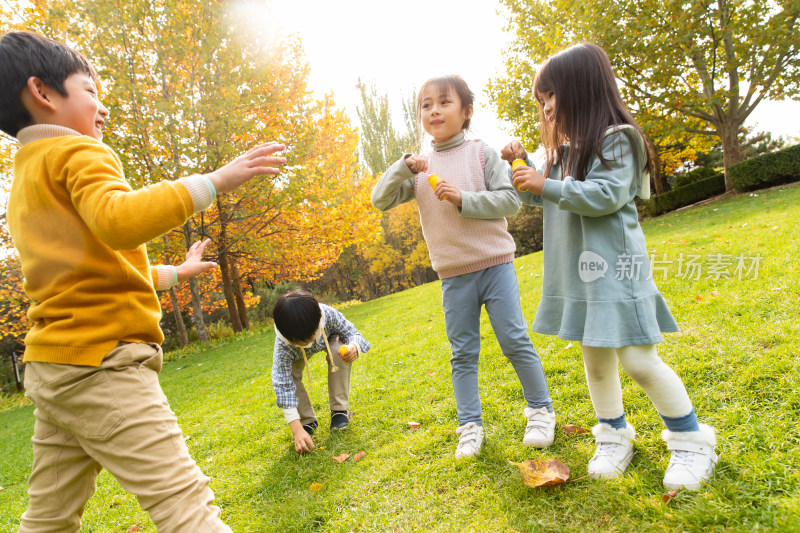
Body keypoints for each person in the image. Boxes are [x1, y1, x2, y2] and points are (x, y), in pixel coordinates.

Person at [0, 30, 286, 532]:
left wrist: (176, 272)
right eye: (90, 92)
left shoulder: (26, 177)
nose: (101, 109)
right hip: (103, 364)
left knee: (49, 517)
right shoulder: (77, 154)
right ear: (42, 93)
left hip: (57, 367)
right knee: (185, 505)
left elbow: (93, 271)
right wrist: (213, 182)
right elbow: (120, 220)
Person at [501, 42, 717, 491]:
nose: (548, 108)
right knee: (596, 361)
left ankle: (691, 439)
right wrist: (522, 166)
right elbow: (537, 194)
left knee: (639, 360)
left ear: (582, 87)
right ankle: (613, 434)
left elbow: (605, 196)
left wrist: (545, 182)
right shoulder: (561, 152)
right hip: (580, 276)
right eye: (542, 101)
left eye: (552, 95)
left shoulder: (619, 138)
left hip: (618, 271)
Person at [371, 75, 555, 459]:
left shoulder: (482, 153)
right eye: (426, 105)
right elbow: (380, 199)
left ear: (466, 111)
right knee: (463, 353)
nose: (434, 110)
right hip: (453, 275)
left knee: (514, 339)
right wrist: (402, 167)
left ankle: (540, 411)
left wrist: (463, 199)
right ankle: (470, 426)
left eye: (444, 102)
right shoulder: (419, 166)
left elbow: (510, 201)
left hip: (495, 265)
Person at [271, 290, 370, 454]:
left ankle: (339, 412)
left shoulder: (328, 314)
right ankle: (307, 422)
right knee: (291, 375)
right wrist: (296, 430)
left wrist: (354, 347)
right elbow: (282, 385)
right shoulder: (284, 345)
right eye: (305, 338)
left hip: (331, 339)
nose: (312, 338)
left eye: (314, 332)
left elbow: (353, 333)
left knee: (339, 350)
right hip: (296, 354)